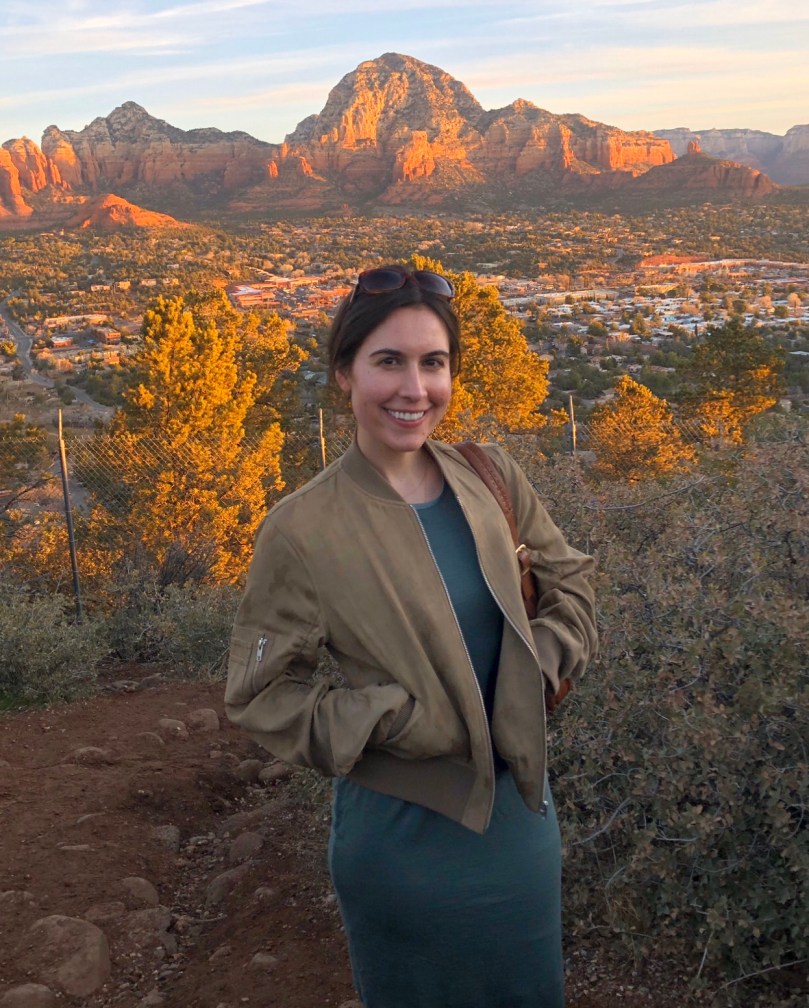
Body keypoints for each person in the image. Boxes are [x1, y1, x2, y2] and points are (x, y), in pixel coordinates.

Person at [225, 263, 597, 1008]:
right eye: (387, 361)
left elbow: (572, 587)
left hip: (520, 828)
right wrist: (389, 717)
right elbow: (261, 694)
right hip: (398, 846)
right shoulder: (302, 528)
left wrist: (531, 672)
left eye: (433, 363)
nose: (413, 388)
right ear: (343, 373)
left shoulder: (491, 478)